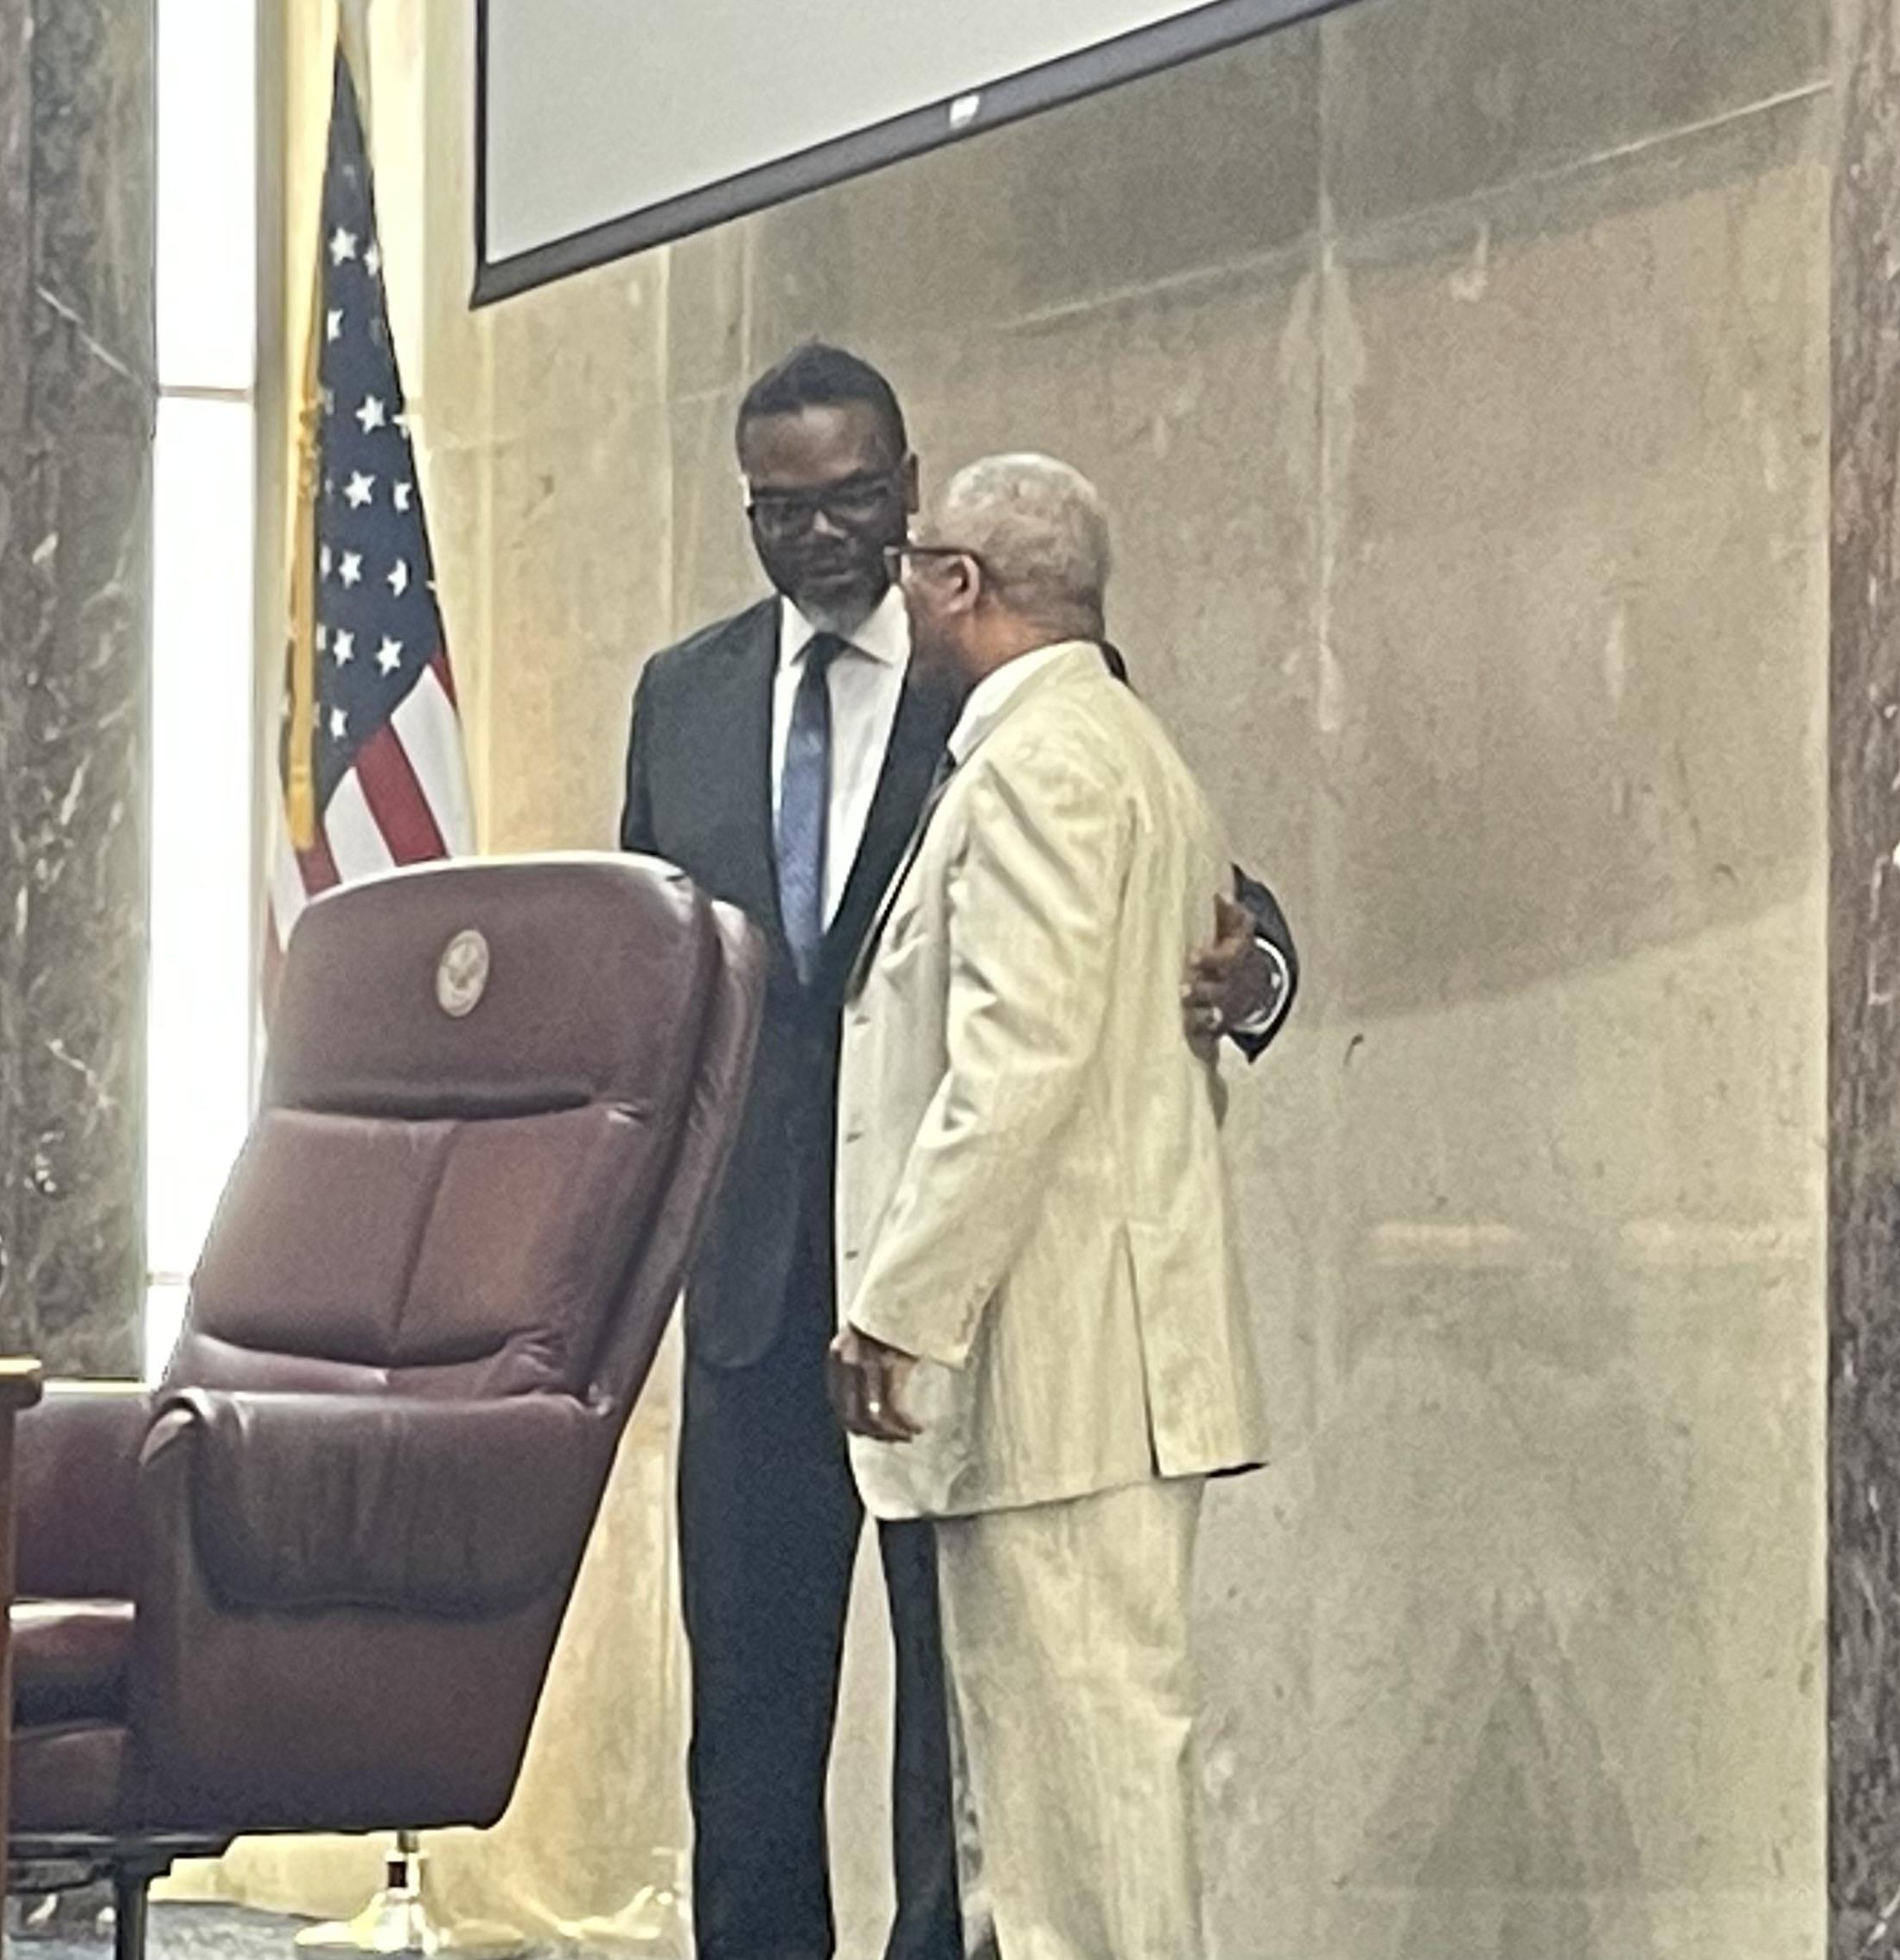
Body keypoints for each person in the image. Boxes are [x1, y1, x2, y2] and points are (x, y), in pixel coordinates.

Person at [619, 344, 1291, 1960]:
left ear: (916, 503)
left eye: (853, 500)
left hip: (956, 1300)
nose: (820, 538)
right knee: (754, 1718)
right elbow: (644, 972)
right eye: (781, 509)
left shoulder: (1001, 675)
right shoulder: (686, 693)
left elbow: (1178, 891)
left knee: (973, 1728)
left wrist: (1252, 971)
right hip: (766, 1284)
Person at [831, 454, 1270, 1960]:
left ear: (960, 585)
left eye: (912, 563)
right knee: (1044, 1819)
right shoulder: (1119, 744)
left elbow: (1012, 1066)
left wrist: (897, 1302)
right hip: (1081, 1361)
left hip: (1066, 1366)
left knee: (1081, 1835)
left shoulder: (1040, 762)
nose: (896, 591)